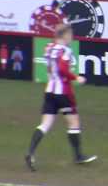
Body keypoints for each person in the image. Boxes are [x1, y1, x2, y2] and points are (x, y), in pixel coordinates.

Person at [25, 24, 97, 172]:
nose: (72, 37)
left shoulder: (48, 47)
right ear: (64, 35)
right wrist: (76, 77)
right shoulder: (66, 51)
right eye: (70, 34)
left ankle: (30, 152)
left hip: (49, 91)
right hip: (63, 92)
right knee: (73, 122)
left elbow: (52, 68)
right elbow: (63, 69)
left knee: (44, 125)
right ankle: (78, 156)